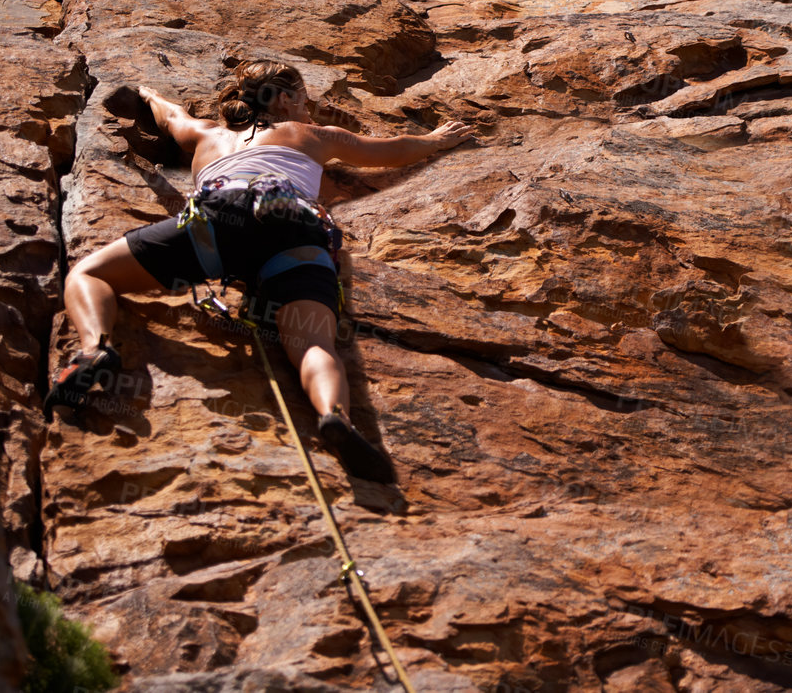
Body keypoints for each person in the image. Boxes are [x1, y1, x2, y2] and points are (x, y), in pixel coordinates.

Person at [44, 60, 474, 483]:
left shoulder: (206, 135)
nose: (311, 109)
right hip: (295, 230)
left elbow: (171, 116)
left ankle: (95, 347)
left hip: (218, 226)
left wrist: (148, 95)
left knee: (90, 274)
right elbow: (389, 150)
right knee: (313, 345)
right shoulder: (310, 135)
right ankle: (333, 415)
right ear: (284, 100)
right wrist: (435, 140)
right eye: (306, 100)